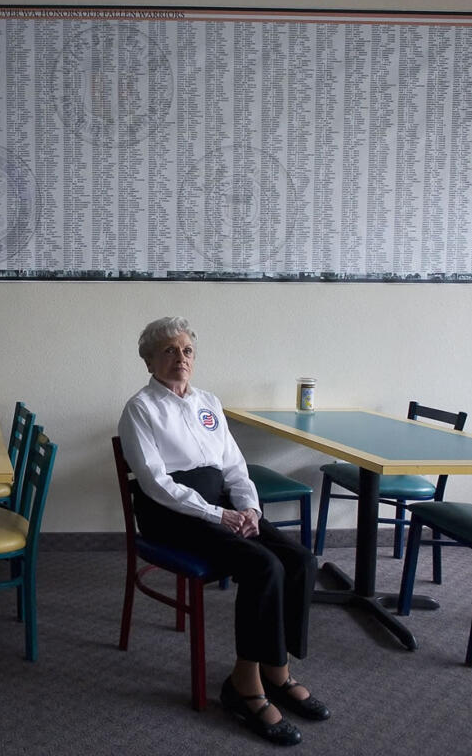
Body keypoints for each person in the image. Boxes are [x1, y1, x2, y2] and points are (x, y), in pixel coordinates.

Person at [117, 316, 327, 747]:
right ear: (150, 360)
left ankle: (277, 670)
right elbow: (158, 483)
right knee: (263, 566)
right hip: (172, 514)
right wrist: (216, 514)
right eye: (169, 351)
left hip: (223, 506)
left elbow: (234, 467)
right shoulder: (140, 409)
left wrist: (248, 507)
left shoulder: (208, 401)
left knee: (301, 560)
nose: (180, 358)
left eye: (187, 351)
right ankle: (244, 687)